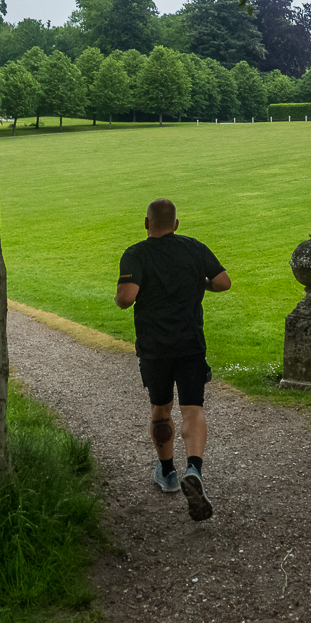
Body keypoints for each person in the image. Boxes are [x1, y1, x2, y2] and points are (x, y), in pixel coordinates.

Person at [115, 198, 231, 521]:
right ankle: (194, 468)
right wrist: (202, 283)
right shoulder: (194, 248)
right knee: (193, 409)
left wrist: (122, 293)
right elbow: (224, 281)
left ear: (146, 223)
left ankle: (166, 472)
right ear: (177, 224)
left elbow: (126, 298)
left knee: (161, 409)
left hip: (156, 349)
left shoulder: (136, 254)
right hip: (191, 344)